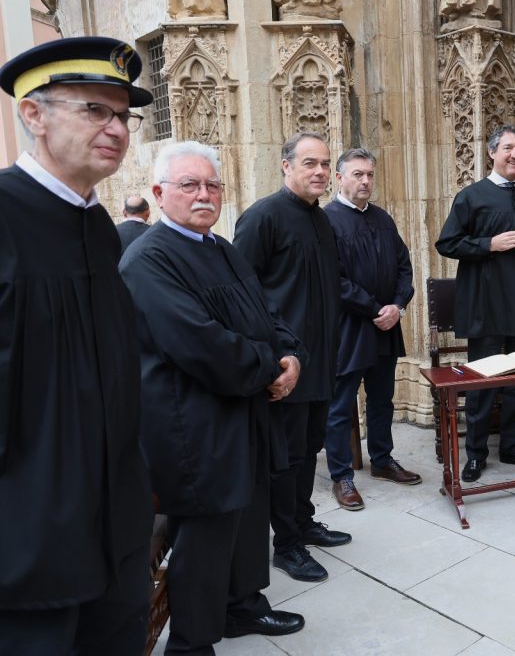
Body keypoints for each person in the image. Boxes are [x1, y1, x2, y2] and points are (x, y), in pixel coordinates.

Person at [121, 141, 307, 651]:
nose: (204, 194)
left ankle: (241, 607)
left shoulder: (219, 247)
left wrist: (291, 355)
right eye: (189, 185)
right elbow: (199, 343)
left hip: (241, 409)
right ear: (159, 193)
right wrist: (271, 368)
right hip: (193, 424)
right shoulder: (148, 260)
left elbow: (266, 312)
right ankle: (193, 641)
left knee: (246, 519)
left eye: (212, 185)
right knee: (205, 539)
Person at [0, 36, 154, 654]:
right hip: (29, 541)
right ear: (34, 115)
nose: (116, 128)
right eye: (94, 110)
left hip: (113, 528)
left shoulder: (96, 223)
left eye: (124, 114)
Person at [233, 132, 351, 584]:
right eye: (309, 163)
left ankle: (302, 522)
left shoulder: (321, 221)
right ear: (286, 166)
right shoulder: (263, 217)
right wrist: (272, 356)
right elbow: (241, 295)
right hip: (286, 365)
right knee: (284, 460)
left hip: (322, 360)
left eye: (324, 164)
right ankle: (286, 545)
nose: (319, 171)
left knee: (309, 450)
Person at [436, 124, 515, 482]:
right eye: (508, 148)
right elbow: (447, 243)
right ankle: (476, 454)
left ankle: (514, 447)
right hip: (485, 303)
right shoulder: (471, 196)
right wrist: (488, 245)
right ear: (492, 153)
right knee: (483, 382)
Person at [323, 148, 421, 511]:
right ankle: (341, 475)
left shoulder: (382, 218)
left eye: (370, 175)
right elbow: (334, 279)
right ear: (339, 178)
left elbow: (404, 266)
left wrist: (398, 305)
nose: (365, 181)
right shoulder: (326, 220)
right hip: (350, 327)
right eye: (358, 174)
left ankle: (382, 460)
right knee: (341, 403)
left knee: (383, 398)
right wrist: (374, 307)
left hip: (386, 325)